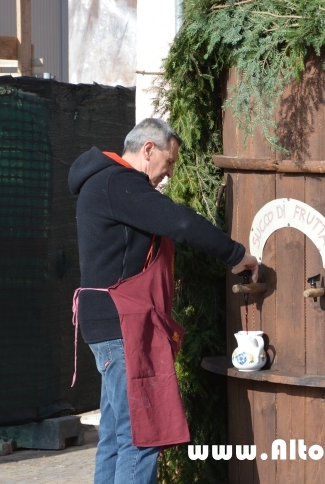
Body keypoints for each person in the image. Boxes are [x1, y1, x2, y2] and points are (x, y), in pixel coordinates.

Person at [68, 118, 258, 484]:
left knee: (114, 438)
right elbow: (182, 223)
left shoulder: (100, 182)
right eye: (168, 163)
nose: (168, 174)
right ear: (148, 149)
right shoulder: (120, 183)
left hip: (105, 326)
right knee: (141, 439)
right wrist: (236, 254)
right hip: (125, 326)